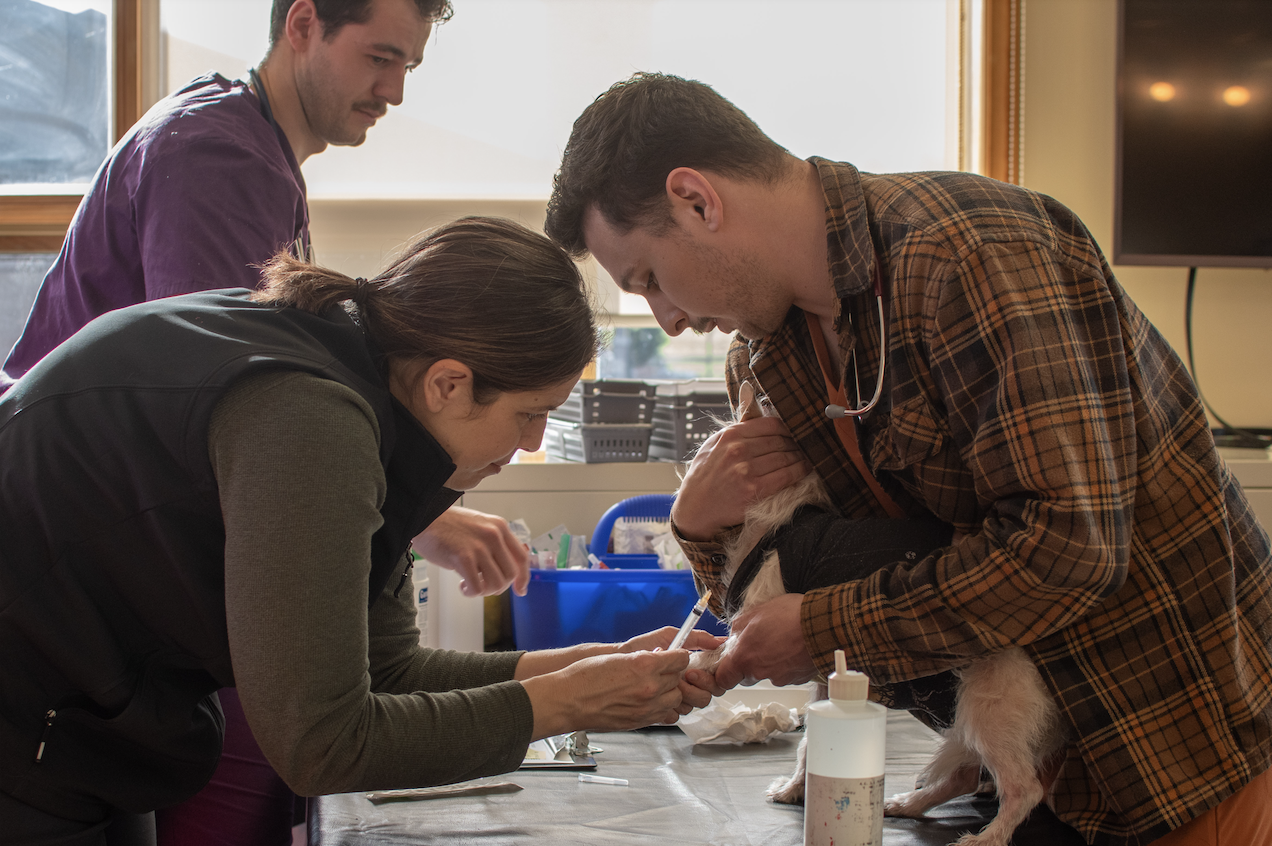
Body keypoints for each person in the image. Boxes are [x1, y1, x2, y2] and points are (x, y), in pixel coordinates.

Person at [543, 73, 1272, 846]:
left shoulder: (974, 255)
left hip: (1171, 753)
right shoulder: (765, 355)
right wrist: (694, 525)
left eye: (651, 279)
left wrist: (822, 628)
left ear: (698, 199)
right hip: (1019, 767)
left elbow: (1069, 552)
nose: (669, 319)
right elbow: (772, 595)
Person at [0, 216, 719, 846]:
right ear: (449, 383)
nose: (531, 443)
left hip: (81, 712)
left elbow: (386, 672)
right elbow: (321, 745)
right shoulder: (312, 423)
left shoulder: (369, 395)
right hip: (24, 711)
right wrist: (572, 702)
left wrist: (599, 665)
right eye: (532, 412)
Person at [3, 3, 536, 841]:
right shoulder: (218, 159)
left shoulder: (252, 150)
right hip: (46, 631)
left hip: (96, 638)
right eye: (379, 57)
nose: (394, 91)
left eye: (411, 68)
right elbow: (248, 426)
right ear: (303, 24)